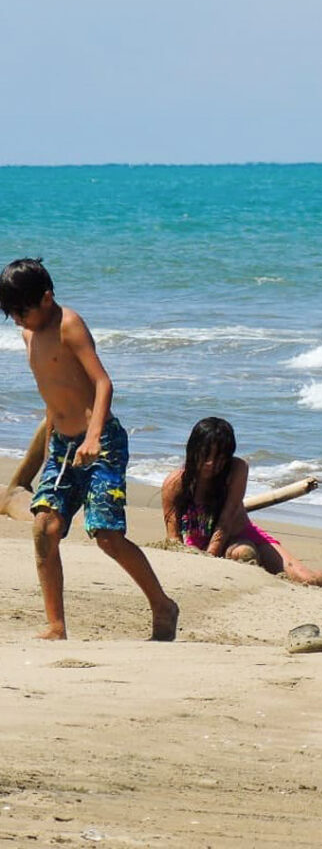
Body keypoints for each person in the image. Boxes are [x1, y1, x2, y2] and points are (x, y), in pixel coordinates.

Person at [0, 258, 179, 641]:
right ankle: (56, 625)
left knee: (106, 535)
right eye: (10, 312)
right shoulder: (29, 335)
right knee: (44, 526)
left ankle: (162, 604)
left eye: (20, 311)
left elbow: (102, 384)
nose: (16, 319)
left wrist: (94, 436)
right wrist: (50, 440)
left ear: (46, 297)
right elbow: (54, 389)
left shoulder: (69, 324)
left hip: (104, 443)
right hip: (63, 447)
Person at [162, 417, 322, 591]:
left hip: (239, 535)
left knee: (305, 578)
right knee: (242, 556)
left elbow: (226, 521)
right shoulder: (176, 483)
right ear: (193, 451)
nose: (212, 464)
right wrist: (193, 562)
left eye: (219, 458)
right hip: (195, 545)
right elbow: (173, 538)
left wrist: (209, 558)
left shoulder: (237, 470)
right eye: (206, 456)